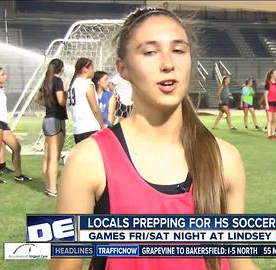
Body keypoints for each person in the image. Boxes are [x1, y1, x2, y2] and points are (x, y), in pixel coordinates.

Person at [50, 7, 258, 270]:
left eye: (179, 50)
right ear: (122, 68)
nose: (168, 63)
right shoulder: (89, 161)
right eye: (150, 52)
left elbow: (240, 262)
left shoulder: (224, 159)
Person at [0, 66, 32, 184]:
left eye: (5, 74)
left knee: (17, 147)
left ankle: (18, 175)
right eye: (2, 74)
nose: (5, 76)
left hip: (3, 123)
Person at [40, 59, 67, 197]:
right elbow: (61, 101)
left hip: (47, 119)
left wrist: (49, 105)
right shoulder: (57, 81)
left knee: (47, 156)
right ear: (60, 68)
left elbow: (37, 99)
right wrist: (66, 92)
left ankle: (48, 186)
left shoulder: (46, 81)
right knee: (54, 157)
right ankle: (52, 189)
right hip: (56, 120)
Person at [67, 58, 104, 144]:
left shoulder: (72, 84)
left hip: (78, 130)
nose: (93, 71)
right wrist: (102, 126)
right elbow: (95, 109)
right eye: (92, 68)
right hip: (90, 128)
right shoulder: (87, 84)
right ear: (85, 69)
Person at [264, 68, 276, 140]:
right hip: (270, 103)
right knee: (270, 120)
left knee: (275, 120)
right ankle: (269, 134)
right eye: (275, 73)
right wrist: (267, 104)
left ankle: (273, 134)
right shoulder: (268, 83)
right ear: (271, 75)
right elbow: (266, 94)